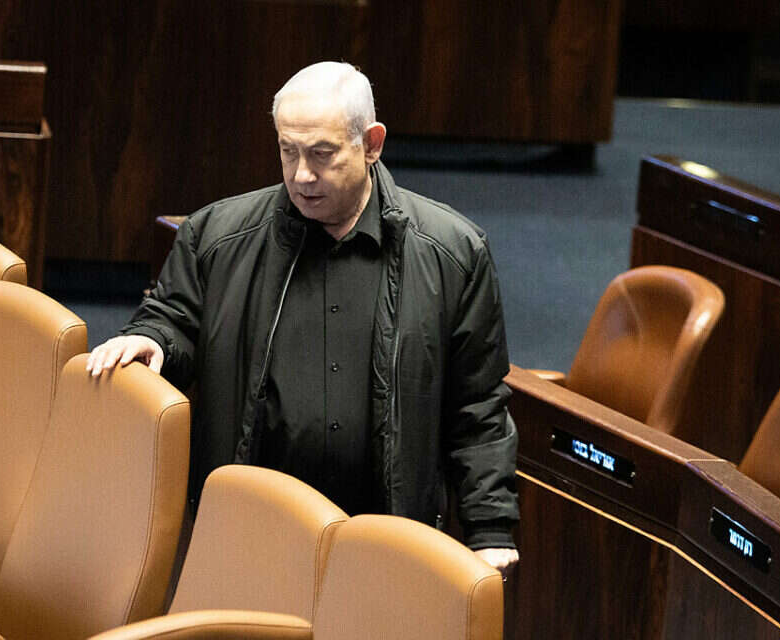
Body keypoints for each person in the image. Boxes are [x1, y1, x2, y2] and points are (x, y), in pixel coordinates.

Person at [86, 62, 519, 571]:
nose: (301, 175)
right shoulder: (216, 236)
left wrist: (490, 528)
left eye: (321, 154)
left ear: (372, 144)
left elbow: (478, 404)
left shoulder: (452, 252)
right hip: (249, 536)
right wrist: (152, 338)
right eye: (288, 151)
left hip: (385, 541)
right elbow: (174, 319)